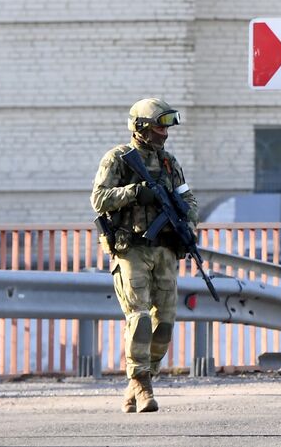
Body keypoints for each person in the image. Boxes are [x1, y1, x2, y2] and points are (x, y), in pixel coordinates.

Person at [91, 97, 198, 413]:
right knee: (137, 318)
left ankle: (136, 383)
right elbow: (98, 199)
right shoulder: (119, 160)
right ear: (140, 127)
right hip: (132, 250)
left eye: (166, 126)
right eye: (158, 126)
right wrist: (135, 192)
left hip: (164, 250)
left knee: (163, 324)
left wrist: (187, 223)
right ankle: (143, 384)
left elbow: (188, 198)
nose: (164, 133)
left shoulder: (169, 163)